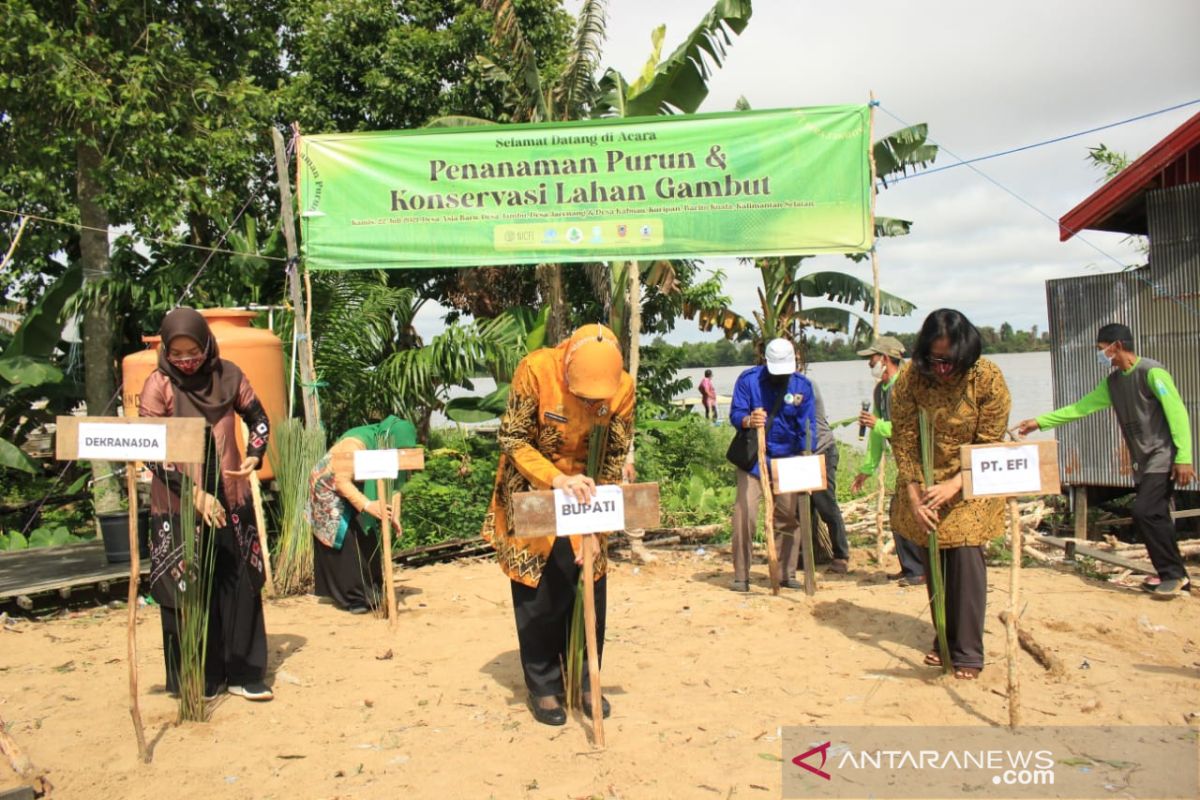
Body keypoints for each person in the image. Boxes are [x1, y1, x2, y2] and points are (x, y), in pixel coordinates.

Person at [480, 324, 635, 726]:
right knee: (539, 592)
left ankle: (586, 678)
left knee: (590, 585)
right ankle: (544, 684)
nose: (587, 402)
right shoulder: (536, 369)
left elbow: (614, 456)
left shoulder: (623, 388)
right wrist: (557, 480)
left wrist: (598, 531)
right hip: (533, 490)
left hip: (589, 494)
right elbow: (513, 438)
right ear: (567, 364)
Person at [140, 307, 273, 702]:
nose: (186, 361)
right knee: (187, 588)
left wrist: (254, 454)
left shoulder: (227, 374)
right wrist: (193, 495)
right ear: (165, 350)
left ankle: (243, 672)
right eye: (177, 353)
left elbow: (258, 417)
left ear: (206, 344)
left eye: (193, 351)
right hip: (179, 497)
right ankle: (200, 678)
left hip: (229, 492)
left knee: (239, 582)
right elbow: (151, 448)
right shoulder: (158, 384)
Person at [1017, 323, 1195, 598]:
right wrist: (1039, 422)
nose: (1101, 356)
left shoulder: (1152, 372)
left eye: (1102, 350)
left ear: (1117, 346)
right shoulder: (1113, 383)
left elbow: (1178, 413)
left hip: (1163, 456)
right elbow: (1079, 408)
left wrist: (1184, 457)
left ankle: (1172, 574)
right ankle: (1172, 573)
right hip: (1143, 462)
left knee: (1145, 512)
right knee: (1154, 514)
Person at [890, 309, 1011, 681]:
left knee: (966, 556)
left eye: (950, 361)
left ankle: (969, 652)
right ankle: (944, 639)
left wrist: (956, 484)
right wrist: (914, 491)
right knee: (935, 557)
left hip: (971, 478)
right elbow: (904, 436)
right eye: (935, 360)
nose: (942, 369)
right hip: (923, 477)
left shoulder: (987, 378)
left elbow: (990, 441)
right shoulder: (910, 377)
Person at [728, 338, 818, 591]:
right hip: (754, 460)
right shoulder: (748, 381)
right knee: (744, 514)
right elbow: (735, 414)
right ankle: (741, 576)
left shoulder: (803, 387)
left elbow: (808, 429)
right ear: (765, 361)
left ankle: (786, 573)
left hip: (788, 458)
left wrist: (807, 464)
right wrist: (748, 419)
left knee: (788, 517)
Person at [308, 416, 417, 614]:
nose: (401, 452)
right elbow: (341, 481)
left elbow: (396, 487)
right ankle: (353, 597)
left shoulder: (394, 451)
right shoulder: (356, 444)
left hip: (357, 486)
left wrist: (394, 516)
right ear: (388, 439)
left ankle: (372, 591)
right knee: (347, 538)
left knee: (368, 536)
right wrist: (368, 505)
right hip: (329, 486)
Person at [850, 336, 925, 586]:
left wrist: (878, 424)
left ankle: (919, 570)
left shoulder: (906, 385)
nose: (869, 363)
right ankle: (911, 568)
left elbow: (913, 428)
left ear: (885, 359)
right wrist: (866, 470)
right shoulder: (879, 390)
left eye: (872, 358)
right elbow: (876, 436)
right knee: (899, 511)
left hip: (920, 458)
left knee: (909, 510)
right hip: (904, 460)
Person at [807, 382, 851, 574]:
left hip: (821, 451)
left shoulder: (805, 386)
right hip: (800, 456)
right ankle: (806, 555)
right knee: (801, 508)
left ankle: (841, 555)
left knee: (825, 504)